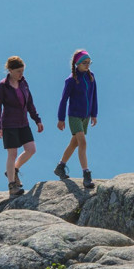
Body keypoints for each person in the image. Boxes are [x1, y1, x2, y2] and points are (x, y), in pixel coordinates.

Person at [0, 56, 44, 196]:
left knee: (31, 149)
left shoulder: (23, 83)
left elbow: (30, 103)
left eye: (22, 71)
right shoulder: (2, 86)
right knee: (12, 153)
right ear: (10, 70)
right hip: (9, 124)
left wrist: (37, 120)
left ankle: (14, 170)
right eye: (18, 71)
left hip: (23, 123)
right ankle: (12, 185)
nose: (21, 74)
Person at [54, 49, 97, 189]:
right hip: (74, 116)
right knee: (82, 142)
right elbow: (63, 100)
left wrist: (94, 114)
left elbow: (94, 97)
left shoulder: (91, 77)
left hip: (86, 116)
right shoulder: (71, 80)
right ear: (77, 64)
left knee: (74, 143)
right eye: (84, 63)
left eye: (89, 63)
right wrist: (61, 118)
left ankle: (60, 166)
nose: (87, 65)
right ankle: (86, 174)